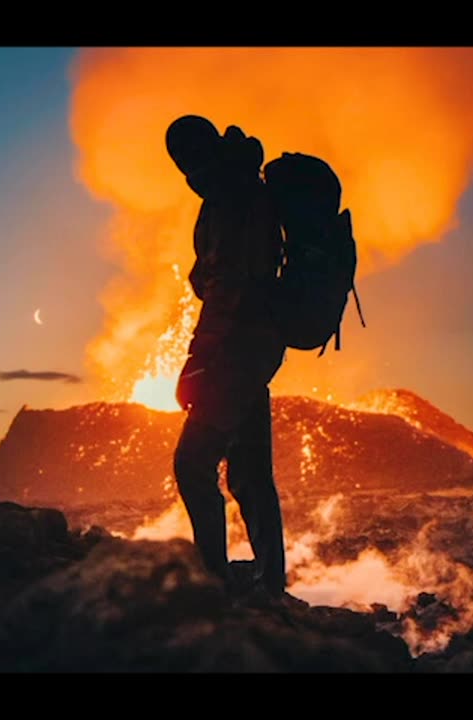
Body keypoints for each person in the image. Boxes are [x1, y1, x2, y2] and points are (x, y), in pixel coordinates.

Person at [165, 114, 288, 597]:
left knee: (193, 462)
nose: (185, 170)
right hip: (258, 348)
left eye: (186, 158)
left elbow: (227, 288)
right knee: (251, 473)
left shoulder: (230, 197)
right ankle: (271, 582)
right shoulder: (242, 186)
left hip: (236, 350)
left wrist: (197, 360)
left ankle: (213, 583)